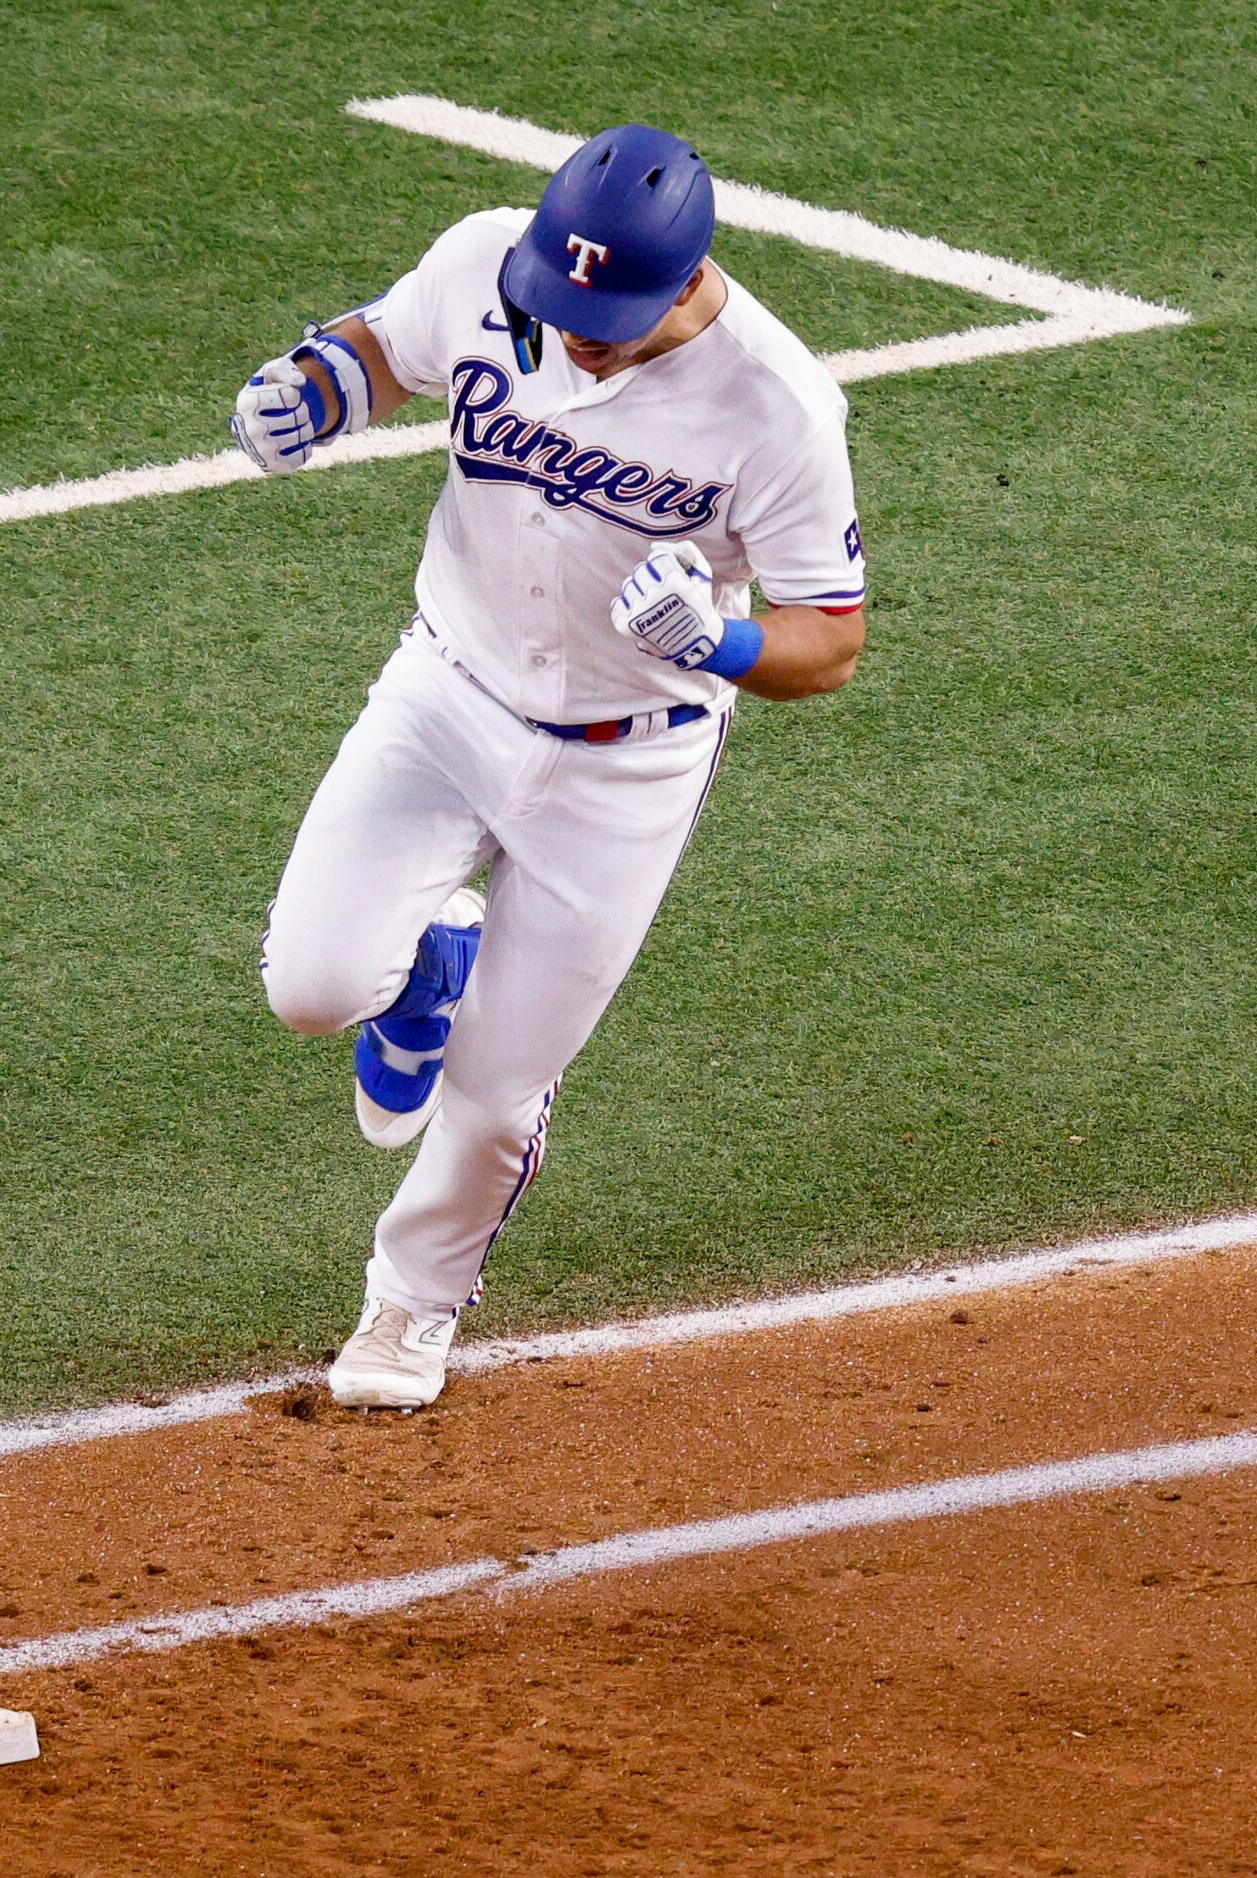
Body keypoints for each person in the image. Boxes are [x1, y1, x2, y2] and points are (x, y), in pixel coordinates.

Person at [234, 124, 868, 1409]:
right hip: (444, 691)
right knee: (307, 988)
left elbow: (831, 640)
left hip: (622, 769)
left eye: (608, 312)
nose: (576, 329)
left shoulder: (778, 405)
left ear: (690, 279)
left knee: (497, 1091)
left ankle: (409, 1310)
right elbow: (385, 347)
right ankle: (425, 970)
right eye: (561, 299)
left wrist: (724, 639)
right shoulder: (484, 262)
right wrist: (314, 388)